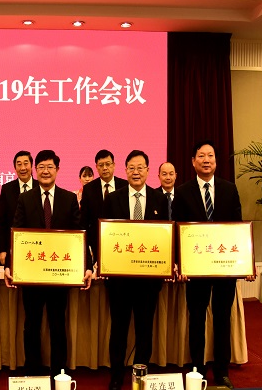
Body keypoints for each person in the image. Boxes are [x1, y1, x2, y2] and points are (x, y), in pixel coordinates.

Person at [5, 150, 92, 380]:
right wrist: (10, 265)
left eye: (50, 167)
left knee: (57, 325)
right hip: (31, 276)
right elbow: (16, 233)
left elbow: (79, 235)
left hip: (58, 275)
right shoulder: (25, 199)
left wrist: (87, 265)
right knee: (31, 326)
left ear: (57, 170)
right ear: (36, 170)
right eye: (41, 167)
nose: (45, 171)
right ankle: (32, 373)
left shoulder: (68, 198)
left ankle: (59, 373)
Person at [172, 141, 251, 390]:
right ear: (193, 161)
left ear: (216, 161)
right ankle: (197, 369)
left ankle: (222, 371)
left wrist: (246, 263)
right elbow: (177, 231)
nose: (206, 160)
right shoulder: (182, 192)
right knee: (196, 318)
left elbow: (237, 228)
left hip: (224, 268)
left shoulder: (229, 189)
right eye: (201, 156)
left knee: (222, 319)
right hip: (195, 269)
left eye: (211, 156)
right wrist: (179, 264)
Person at [102, 150, 169, 390]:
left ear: (148, 171)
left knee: (144, 330)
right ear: (125, 170)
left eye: (140, 167)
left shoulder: (159, 199)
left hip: (148, 281)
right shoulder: (113, 199)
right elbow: (105, 236)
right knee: (118, 330)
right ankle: (116, 376)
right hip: (119, 281)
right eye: (131, 168)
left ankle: (141, 375)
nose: (136, 172)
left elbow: (165, 236)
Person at [79, 150, 128, 267]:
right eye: (101, 165)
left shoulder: (125, 185)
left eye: (108, 164)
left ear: (114, 165)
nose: (105, 168)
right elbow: (84, 220)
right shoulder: (89, 189)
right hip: (97, 241)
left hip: (123, 240)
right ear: (96, 167)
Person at [0, 150, 38, 265]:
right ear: (15, 167)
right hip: (13, 247)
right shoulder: (7, 189)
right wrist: (2, 250)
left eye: (26, 163)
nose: (23, 168)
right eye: (19, 164)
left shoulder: (40, 186)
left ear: (31, 166)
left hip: (38, 244)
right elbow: (2, 222)